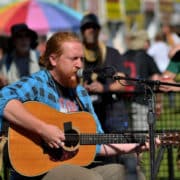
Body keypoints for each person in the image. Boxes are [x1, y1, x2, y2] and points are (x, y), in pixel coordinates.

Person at [0, 31, 150, 180]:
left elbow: (96, 142)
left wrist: (134, 145)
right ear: (53, 59)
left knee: (131, 175)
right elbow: (2, 99)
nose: (79, 65)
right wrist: (43, 129)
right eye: (74, 59)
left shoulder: (81, 94)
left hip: (77, 167)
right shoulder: (37, 84)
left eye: (81, 59)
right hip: (39, 171)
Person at [79, 13, 140, 179]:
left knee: (125, 159)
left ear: (99, 30)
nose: (91, 31)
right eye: (87, 28)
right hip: (87, 117)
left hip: (113, 114)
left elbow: (122, 82)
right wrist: (80, 88)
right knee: (95, 163)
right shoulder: (78, 54)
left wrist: (103, 88)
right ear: (82, 31)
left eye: (94, 27)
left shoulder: (111, 53)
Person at [0, 23, 40, 88]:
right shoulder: (6, 60)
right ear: (14, 41)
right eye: (19, 36)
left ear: (30, 39)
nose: (23, 39)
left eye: (27, 35)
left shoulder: (39, 57)